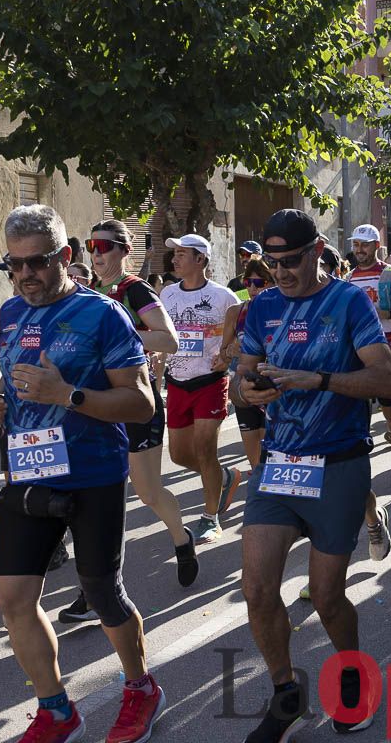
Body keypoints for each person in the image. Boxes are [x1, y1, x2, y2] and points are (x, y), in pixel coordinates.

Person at [0, 205, 164, 743]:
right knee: (13, 598)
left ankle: (140, 688)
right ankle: (57, 709)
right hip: (29, 472)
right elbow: (16, 391)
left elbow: (142, 405)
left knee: (102, 593)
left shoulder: (103, 314)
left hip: (92, 472)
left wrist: (69, 394)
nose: (24, 274)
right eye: (13, 265)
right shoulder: (11, 315)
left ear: (65, 256)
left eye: (36, 262)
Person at [232, 209, 391, 741]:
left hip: (339, 464)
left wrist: (321, 379)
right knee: (257, 591)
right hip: (279, 465)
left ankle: (352, 671)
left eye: (292, 260)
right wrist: (249, 390)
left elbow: (386, 380)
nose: (281, 271)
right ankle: (286, 694)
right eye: (271, 262)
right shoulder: (261, 307)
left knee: (327, 597)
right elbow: (243, 377)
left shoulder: (350, 300)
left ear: (318, 249)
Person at [74, 219, 196, 599]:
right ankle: (94, 591)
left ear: (125, 251)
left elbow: (169, 340)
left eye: (104, 246)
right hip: (96, 406)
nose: (96, 254)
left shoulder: (134, 289)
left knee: (147, 492)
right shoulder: (87, 292)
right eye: (91, 246)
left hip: (135, 402)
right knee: (94, 494)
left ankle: (182, 537)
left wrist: (119, 332)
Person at [160, 233, 242, 544]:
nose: (175, 259)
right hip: (177, 381)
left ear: (200, 260)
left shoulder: (224, 297)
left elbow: (243, 335)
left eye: (182, 254)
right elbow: (161, 332)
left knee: (206, 450)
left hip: (209, 380)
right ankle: (224, 477)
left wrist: (228, 355)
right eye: (175, 254)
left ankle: (211, 518)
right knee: (180, 454)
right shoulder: (167, 295)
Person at [346, 224, 391, 482]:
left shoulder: (390, 273)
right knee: (358, 407)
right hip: (358, 349)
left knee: (390, 409)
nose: (359, 249)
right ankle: (358, 459)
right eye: (356, 245)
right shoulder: (350, 278)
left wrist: (384, 314)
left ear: (376, 245)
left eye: (364, 244)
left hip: (390, 347)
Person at [217, 257, 276, 472]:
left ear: (271, 282)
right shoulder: (236, 311)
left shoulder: (281, 310)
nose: (252, 288)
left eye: (258, 283)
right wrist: (230, 350)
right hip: (243, 385)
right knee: (254, 457)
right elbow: (223, 353)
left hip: (273, 385)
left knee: (272, 449)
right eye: (248, 282)